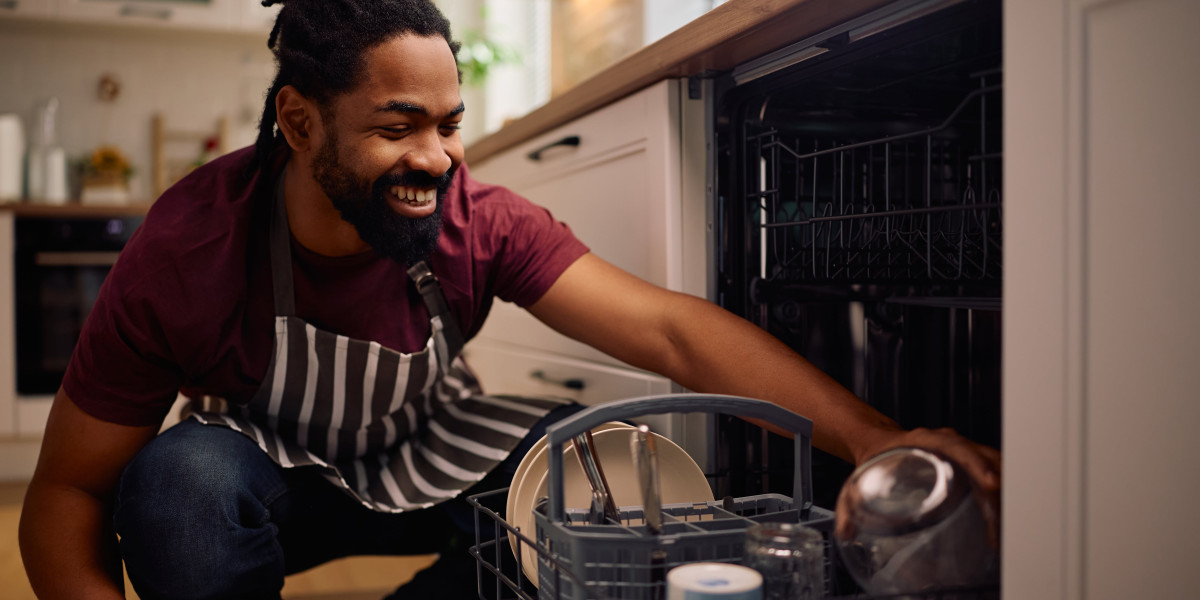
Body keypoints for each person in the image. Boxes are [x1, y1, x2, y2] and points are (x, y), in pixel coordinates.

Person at [18, 1, 1002, 599]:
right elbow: (62, 497)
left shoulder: (472, 218)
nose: (438, 158)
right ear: (298, 119)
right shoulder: (190, 247)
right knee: (174, 492)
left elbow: (669, 330)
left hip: (427, 460)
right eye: (398, 126)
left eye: (449, 124)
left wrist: (875, 441)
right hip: (264, 479)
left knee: (589, 478)